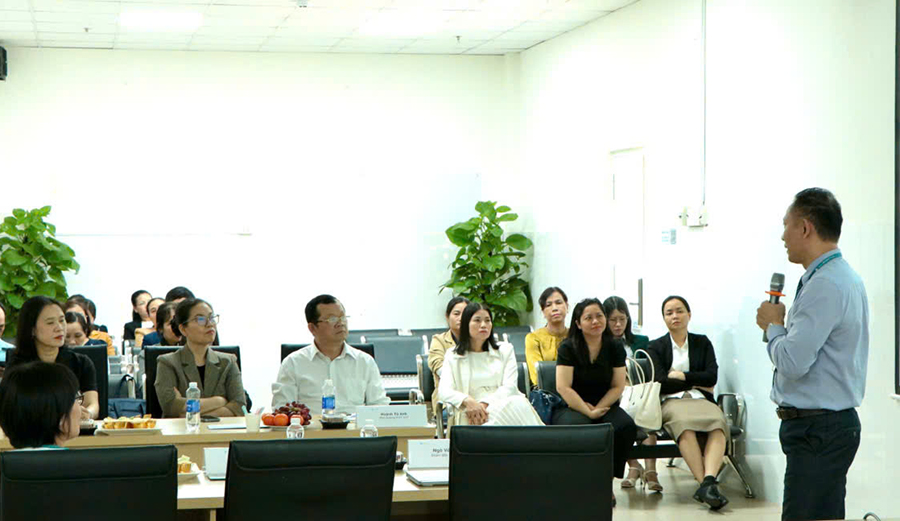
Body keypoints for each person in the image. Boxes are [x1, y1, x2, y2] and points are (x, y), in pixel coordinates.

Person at [755, 188, 868, 521]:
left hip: (818, 430)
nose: (782, 237)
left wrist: (774, 326)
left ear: (805, 228)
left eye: (786, 225)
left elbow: (792, 363)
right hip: (827, 427)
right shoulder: (840, 276)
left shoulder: (825, 284)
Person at [553, 298, 637, 506]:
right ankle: (580, 483)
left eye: (599, 316)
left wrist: (599, 408)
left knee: (625, 426)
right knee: (577, 429)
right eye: (588, 318)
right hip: (573, 406)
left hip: (605, 404)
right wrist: (587, 411)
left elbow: (618, 385)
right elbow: (563, 387)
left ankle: (605, 482)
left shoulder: (614, 347)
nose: (595, 321)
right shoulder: (568, 347)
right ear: (578, 323)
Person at [648, 296, 728, 510]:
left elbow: (711, 377)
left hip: (701, 399)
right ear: (664, 318)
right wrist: (695, 381)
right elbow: (660, 382)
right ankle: (706, 485)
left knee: (718, 424)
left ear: (689, 315)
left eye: (679, 311)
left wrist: (682, 376)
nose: (675, 316)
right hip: (671, 401)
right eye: (669, 313)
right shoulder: (655, 346)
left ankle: (707, 484)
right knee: (685, 427)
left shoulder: (702, 342)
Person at [272, 295, 389, 415]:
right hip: (312, 427)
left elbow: (380, 407)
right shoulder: (293, 363)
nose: (340, 323)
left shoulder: (365, 362)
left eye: (343, 317)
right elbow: (282, 410)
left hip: (354, 426)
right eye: (332, 319)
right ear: (312, 328)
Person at [437, 302, 543, 427]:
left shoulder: (505, 350)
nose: (483, 325)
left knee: (518, 402)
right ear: (466, 324)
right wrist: (468, 401)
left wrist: (484, 404)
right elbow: (444, 391)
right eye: (477, 320)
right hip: (470, 413)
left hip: (504, 405)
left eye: (487, 320)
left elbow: (510, 387)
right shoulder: (453, 355)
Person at [8, 296, 99, 420]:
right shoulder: (18, 367)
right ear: (32, 329)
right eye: (50, 323)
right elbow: (11, 410)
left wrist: (87, 414)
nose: (59, 328)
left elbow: (93, 404)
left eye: (62, 320)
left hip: (75, 429)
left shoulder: (81, 363)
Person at [603, 295, 661, 492]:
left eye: (622, 319)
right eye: (613, 320)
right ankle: (634, 466)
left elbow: (649, 370)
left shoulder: (641, 342)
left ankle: (651, 470)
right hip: (614, 394)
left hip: (640, 392)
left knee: (647, 413)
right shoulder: (601, 344)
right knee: (622, 419)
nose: (618, 324)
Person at [154, 298, 246, 418]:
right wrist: (219, 401)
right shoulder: (168, 363)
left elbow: (239, 406)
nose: (210, 324)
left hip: (220, 430)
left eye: (211, 318)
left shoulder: (228, 362)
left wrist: (190, 413)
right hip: (181, 430)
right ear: (183, 329)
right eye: (201, 319)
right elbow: (171, 407)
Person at [0, 361, 82, 449]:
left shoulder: (5, 458)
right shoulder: (80, 458)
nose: (80, 407)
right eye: (76, 398)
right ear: (60, 417)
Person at [427, 296, 469, 415]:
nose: (461, 318)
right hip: (448, 401)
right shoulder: (439, 340)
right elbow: (438, 366)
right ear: (447, 316)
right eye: (456, 314)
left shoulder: (478, 340)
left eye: (465, 314)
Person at [524, 287, 569, 385]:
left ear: (567, 306)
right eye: (548, 305)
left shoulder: (575, 335)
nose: (555, 308)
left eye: (559, 303)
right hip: (546, 390)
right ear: (543, 312)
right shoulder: (534, 338)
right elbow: (537, 376)